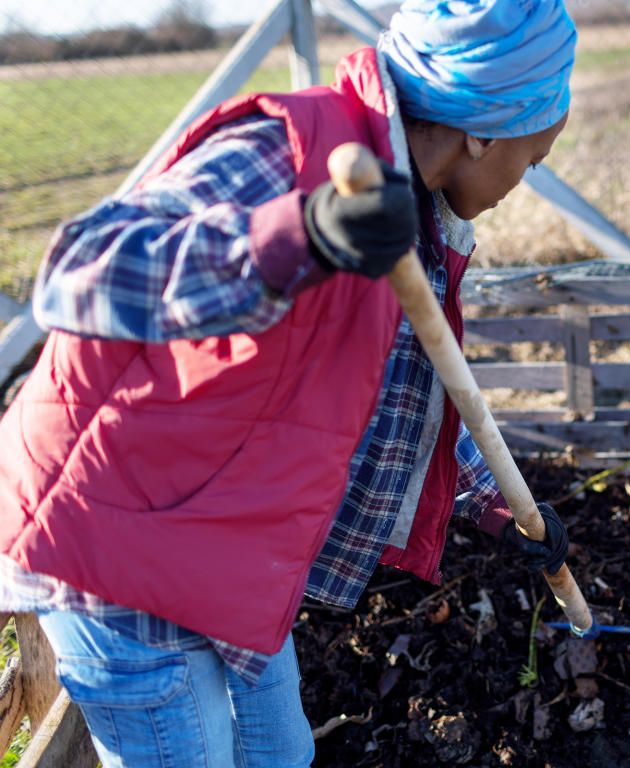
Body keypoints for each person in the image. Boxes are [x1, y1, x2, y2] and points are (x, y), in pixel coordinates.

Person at [0, 1, 577, 766]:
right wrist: (297, 237)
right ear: (483, 132)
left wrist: (499, 507)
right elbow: (86, 269)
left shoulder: (413, 217)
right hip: (117, 538)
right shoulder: (292, 153)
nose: (520, 183)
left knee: (279, 751)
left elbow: (407, 392)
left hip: (221, 532)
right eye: (530, 162)